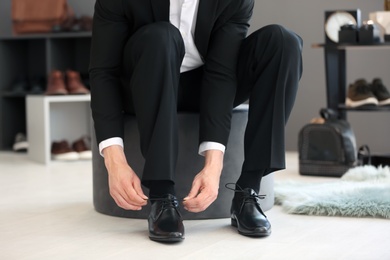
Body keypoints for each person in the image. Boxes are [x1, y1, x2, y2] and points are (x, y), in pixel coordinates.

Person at [89, 0, 302, 243]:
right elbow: (103, 71)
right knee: (162, 36)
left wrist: (214, 165)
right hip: (144, 81)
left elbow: (222, 71)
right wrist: (114, 161)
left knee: (283, 42)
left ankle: (247, 191)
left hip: (206, 83)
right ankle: (161, 197)